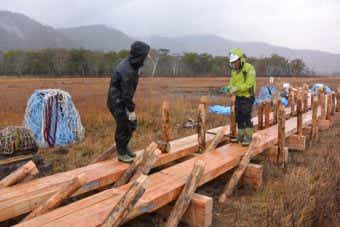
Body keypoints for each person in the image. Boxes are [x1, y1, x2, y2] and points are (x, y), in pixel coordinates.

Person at [107, 41, 150, 163]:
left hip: (121, 100)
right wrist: (131, 110)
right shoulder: (128, 70)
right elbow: (126, 95)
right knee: (123, 125)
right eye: (144, 56)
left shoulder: (131, 65)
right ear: (139, 55)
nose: (145, 59)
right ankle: (121, 152)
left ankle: (125, 147)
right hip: (117, 101)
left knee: (130, 125)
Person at [226, 48, 256, 146]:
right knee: (238, 116)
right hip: (239, 97)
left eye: (235, 62)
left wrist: (236, 88)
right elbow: (231, 83)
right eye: (232, 63)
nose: (234, 65)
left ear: (240, 60)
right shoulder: (234, 71)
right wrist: (228, 88)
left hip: (248, 96)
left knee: (246, 115)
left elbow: (249, 84)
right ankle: (241, 136)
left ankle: (248, 136)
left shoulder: (249, 69)